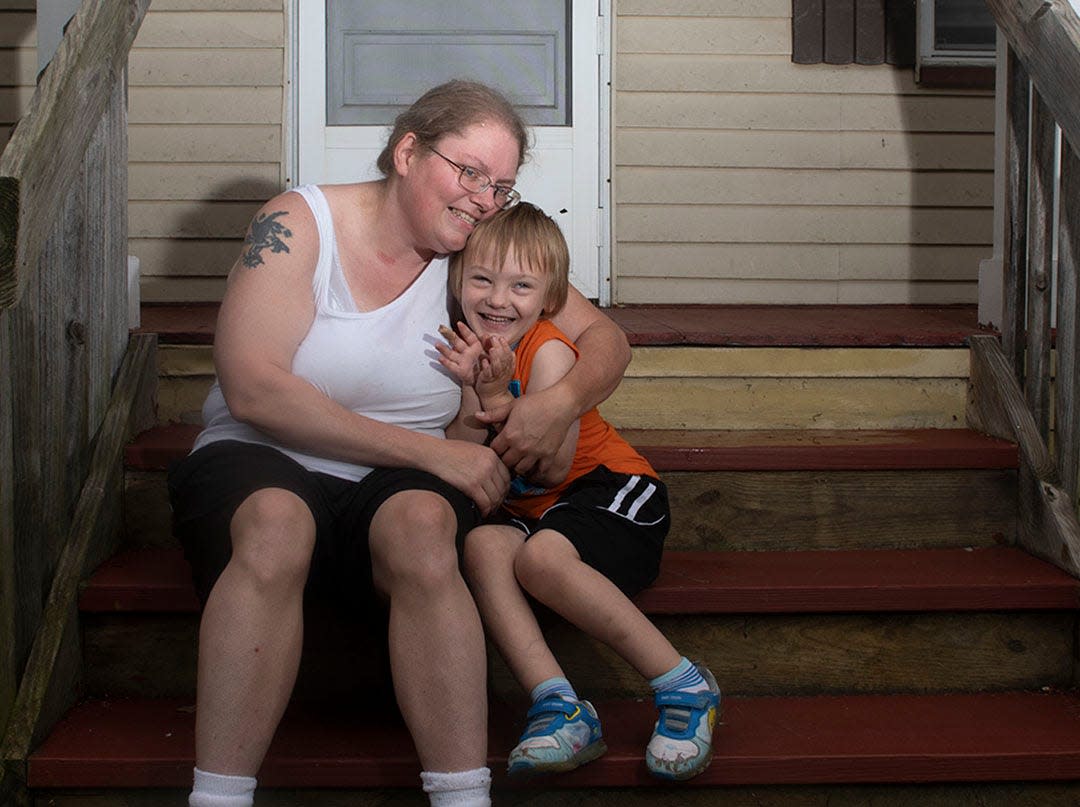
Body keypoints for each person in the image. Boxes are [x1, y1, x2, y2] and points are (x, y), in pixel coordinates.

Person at [166, 80, 631, 807]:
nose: (483, 197)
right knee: (277, 524)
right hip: (262, 460)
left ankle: (461, 794)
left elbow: (606, 337)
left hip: (395, 489)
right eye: (468, 171)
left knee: (423, 527)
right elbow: (255, 387)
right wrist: (432, 452)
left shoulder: (473, 252)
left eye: (501, 185)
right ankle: (218, 796)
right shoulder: (298, 223)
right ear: (408, 151)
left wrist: (556, 403)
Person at [436, 202, 720, 782]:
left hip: (613, 491)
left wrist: (496, 397)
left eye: (520, 286)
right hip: (538, 510)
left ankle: (685, 686)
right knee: (484, 548)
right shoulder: (465, 348)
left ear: (549, 299)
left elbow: (548, 464)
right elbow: (466, 454)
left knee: (539, 556)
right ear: (456, 281)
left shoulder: (549, 350)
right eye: (482, 280)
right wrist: (476, 390)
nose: (496, 299)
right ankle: (558, 705)